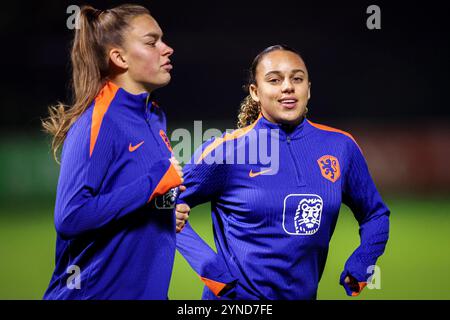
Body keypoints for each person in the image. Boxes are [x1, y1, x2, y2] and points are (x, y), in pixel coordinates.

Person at [175, 45, 390, 299]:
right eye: (274, 80)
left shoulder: (341, 147)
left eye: (297, 79)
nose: (288, 86)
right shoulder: (226, 150)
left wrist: (362, 264)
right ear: (255, 92)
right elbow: (164, 204)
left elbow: (375, 214)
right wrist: (210, 269)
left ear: (308, 89)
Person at [42, 4, 187, 299]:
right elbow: (71, 216)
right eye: (152, 42)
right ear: (119, 57)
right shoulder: (99, 121)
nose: (167, 48)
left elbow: (128, 204)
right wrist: (152, 183)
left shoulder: (154, 116)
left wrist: (163, 214)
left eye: (162, 39)